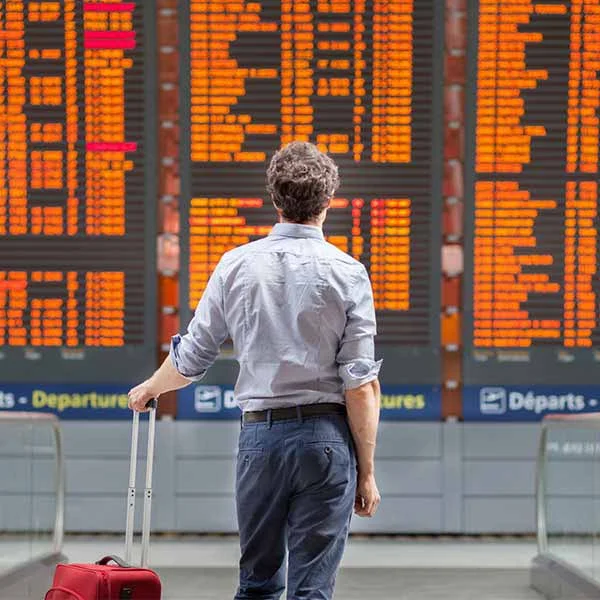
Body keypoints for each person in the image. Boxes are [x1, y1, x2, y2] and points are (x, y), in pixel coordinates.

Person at [128, 141, 382, 600]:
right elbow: (360, 385)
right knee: (312, 591)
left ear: (274, 199)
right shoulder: (349, 272)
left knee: (258, 585)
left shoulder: (236, 265)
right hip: (327, 443)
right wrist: (365, 472)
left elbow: (192, 358)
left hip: (261, 442)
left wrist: (149, 388)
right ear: (328, 202)